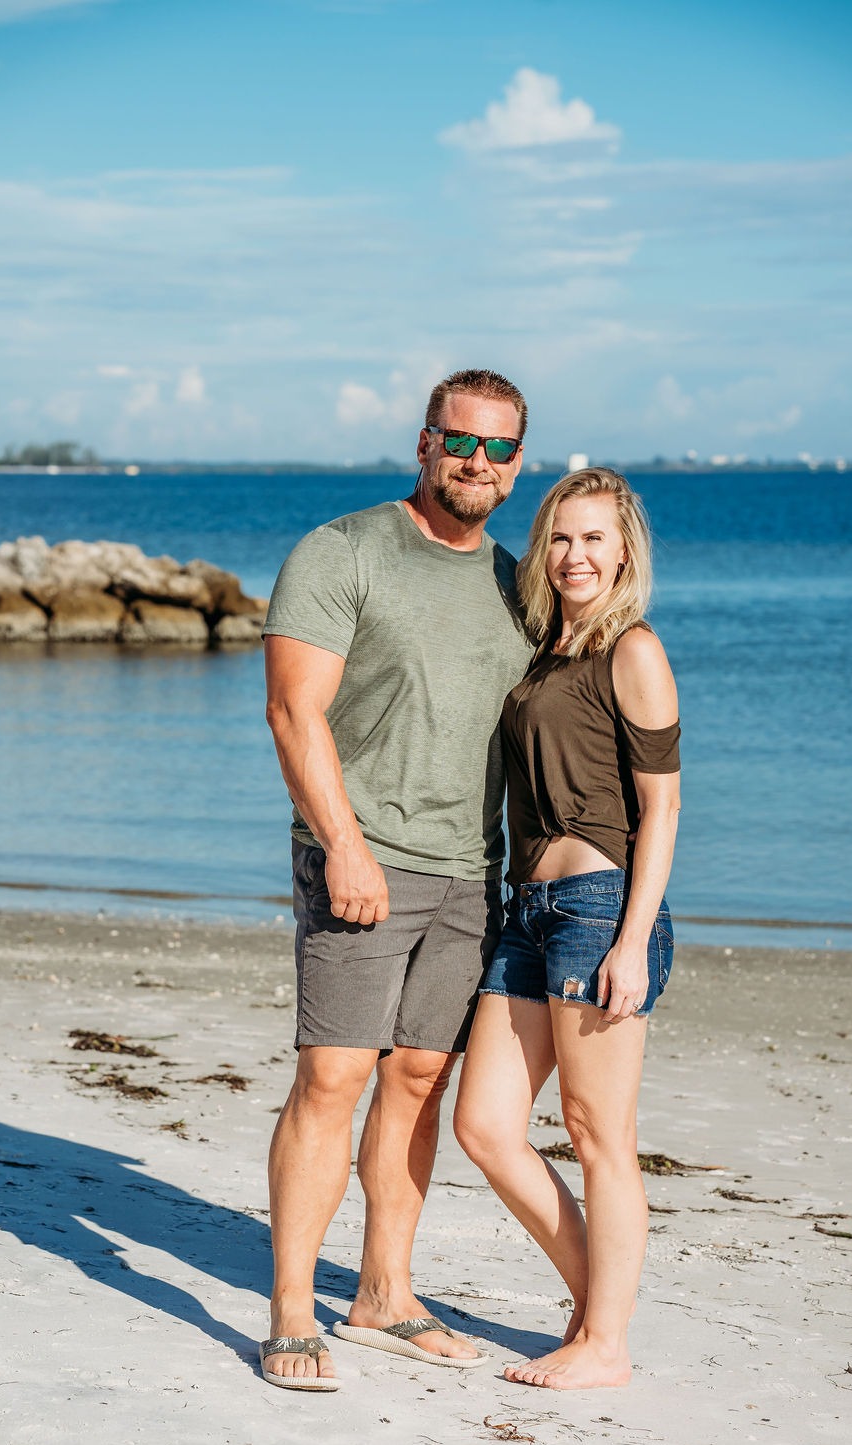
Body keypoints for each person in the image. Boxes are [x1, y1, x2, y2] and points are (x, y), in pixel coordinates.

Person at [259, 369, 534, 1389]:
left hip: (471, 873)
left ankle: (383, 1293)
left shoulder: (515, 582)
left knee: (419, 1079)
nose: (476, 462)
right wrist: (343, 843)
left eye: (498, 448)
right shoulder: (342, 552)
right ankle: (292, 1311)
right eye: (460, 441)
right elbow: (294, 710)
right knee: (333, 1075)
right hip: (362, 857)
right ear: (424, 443)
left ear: (517, 464)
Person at [454, 466, 681, 1390]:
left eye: (593, 538)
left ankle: (605, 1344)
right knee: (484, 1125)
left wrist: (631, 943)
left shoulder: (633, 649)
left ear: (624, 551)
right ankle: (599, 1310)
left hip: (598, 911)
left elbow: (662, 810)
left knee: (597, 1135)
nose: (574, 554)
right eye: (559, 537)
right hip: (529, 911)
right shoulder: (544, 649)